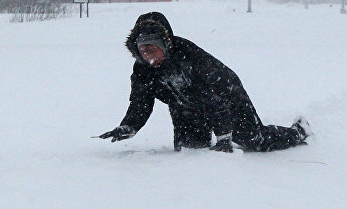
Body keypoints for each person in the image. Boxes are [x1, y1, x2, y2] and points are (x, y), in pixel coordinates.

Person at [98, 11, 311, 152]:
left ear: (165, 45)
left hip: (226, 96)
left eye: (153, 50)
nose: (149, 56)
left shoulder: (189, 56)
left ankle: (298, 131)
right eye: (144, 51)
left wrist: (224, 136)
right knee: (191, 150)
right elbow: (140, 102)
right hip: (185, 107)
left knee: (253, 140)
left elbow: (215, 99)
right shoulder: (142, 69)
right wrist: (129, 126)